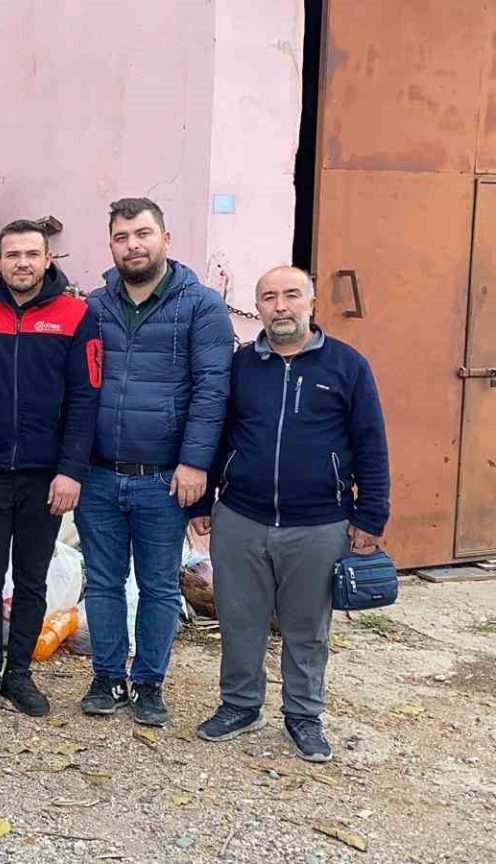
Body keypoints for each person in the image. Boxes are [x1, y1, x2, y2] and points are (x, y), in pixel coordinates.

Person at [190, 266, 389, 762]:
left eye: (291, 295)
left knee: (306, 627)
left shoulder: (347, 365)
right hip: (241, 516)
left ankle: (303, 715)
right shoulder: (241, 366)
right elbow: (216, 434)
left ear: (312, 303)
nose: (280, 306)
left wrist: (371, 515)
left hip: (318, 522)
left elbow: (371, 444)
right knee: (240, 618)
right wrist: (201, 501)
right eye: (269, 297)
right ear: (257, 307)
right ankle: (241, 705)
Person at [76, 198, 234, 726]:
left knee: (159, 586)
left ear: (165, 238)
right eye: (122, 237)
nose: (133, 246)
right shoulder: (95, 307)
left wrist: (196, 464)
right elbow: (78, 388)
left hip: (164, 479)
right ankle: (107, 676)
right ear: (111, 245)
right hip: (100, 474)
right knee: (102, 582)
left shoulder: (201, 307)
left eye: (142, 234)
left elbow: (212, 391)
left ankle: (149, 682)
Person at [0, 219, 101, 716]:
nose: (22, 263)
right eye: (12, 254)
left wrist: (71, 470)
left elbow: (86, 399)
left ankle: (18, 672)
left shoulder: (77, 316)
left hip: (46, 476)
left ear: (47, 260)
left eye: (31, 254)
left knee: (32, 578)